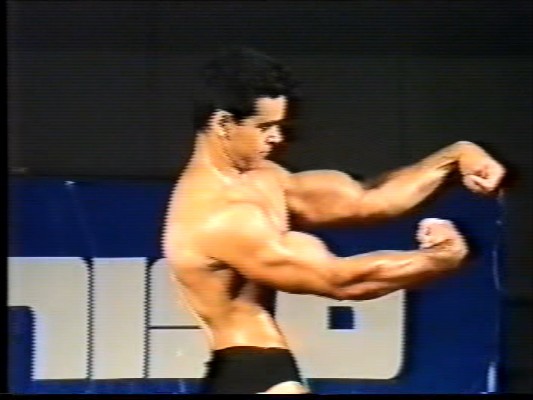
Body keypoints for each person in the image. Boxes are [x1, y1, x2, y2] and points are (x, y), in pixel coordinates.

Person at [162, 47, 506, 394]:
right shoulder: (217, 215)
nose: (277, 138)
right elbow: (341, 281)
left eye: (279, 125)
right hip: (252, 375)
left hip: (256, 368)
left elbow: (368, 200)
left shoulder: (261, 177)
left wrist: (455, 157)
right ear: (223, 124)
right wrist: (439, 259)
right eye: (264, 127)